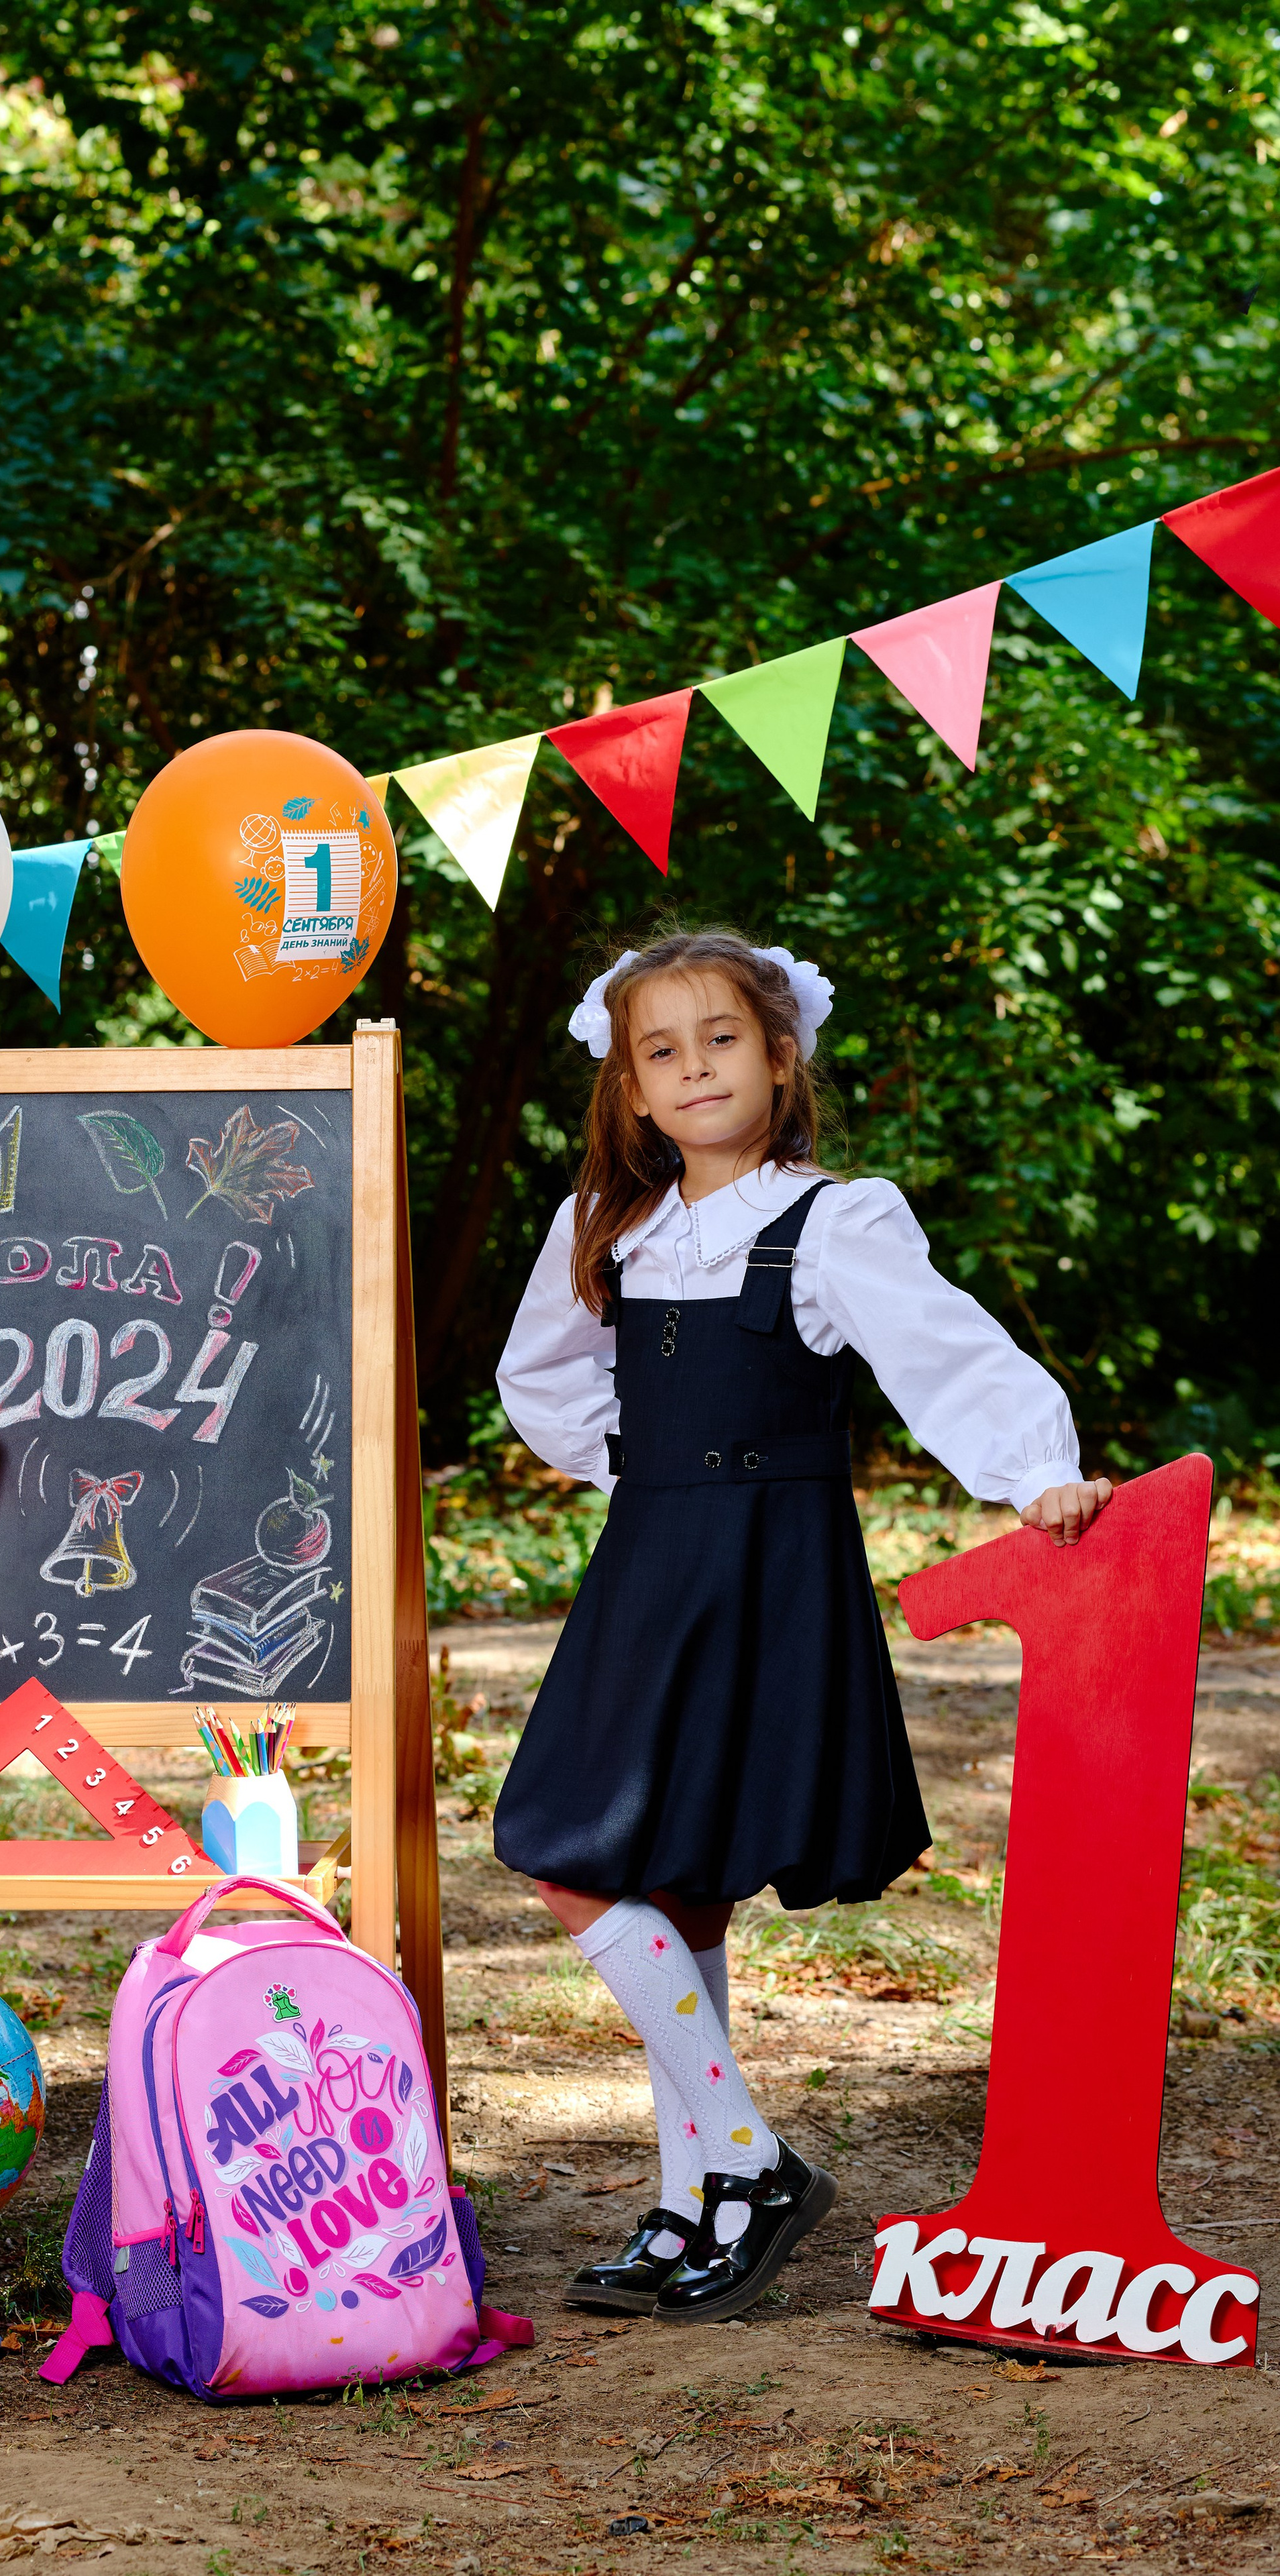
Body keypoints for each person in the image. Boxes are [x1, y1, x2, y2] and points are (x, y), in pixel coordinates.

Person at [493, 928, 1111, 2326]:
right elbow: (536, 1369)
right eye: (662, 1049)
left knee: (567, 1846)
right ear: (630, 1088)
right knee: (649, 1869)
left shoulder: (834, 1220)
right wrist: (629, 1465)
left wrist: (1032, 1469)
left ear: (780, 1056)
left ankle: (745, 2165)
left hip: (767, 1565)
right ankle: (694, 2192)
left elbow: (940, 1349)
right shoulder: (612, 1223)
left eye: (721, 1037)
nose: (694, 1066)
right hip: (651, 1558)